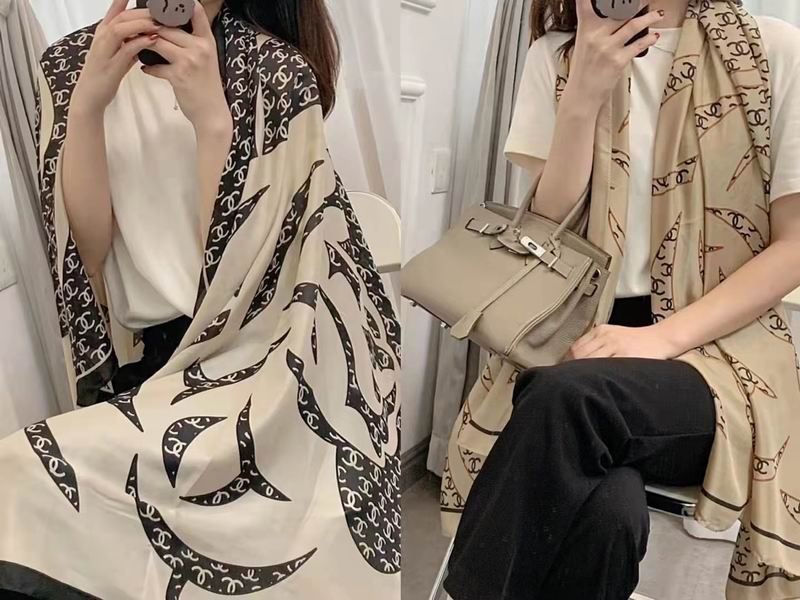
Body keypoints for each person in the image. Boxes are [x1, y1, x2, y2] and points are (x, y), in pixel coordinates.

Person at [0, 0, 401, 598]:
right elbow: (89, 256)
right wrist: (86, 106)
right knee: (27, 485)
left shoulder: (276, 71)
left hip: (270, 363)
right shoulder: (69, 64)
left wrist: (213, 120)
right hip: (153, 370)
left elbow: (253, 276)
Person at [442, 0, 800, 598]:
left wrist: (659, 339)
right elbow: (544, 235)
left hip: (724, 357)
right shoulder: (556, 56)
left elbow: (794, 247)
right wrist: (584, 91)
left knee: (567, 399)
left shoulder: (769, 51)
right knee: (609, 510)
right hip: (582, 334)